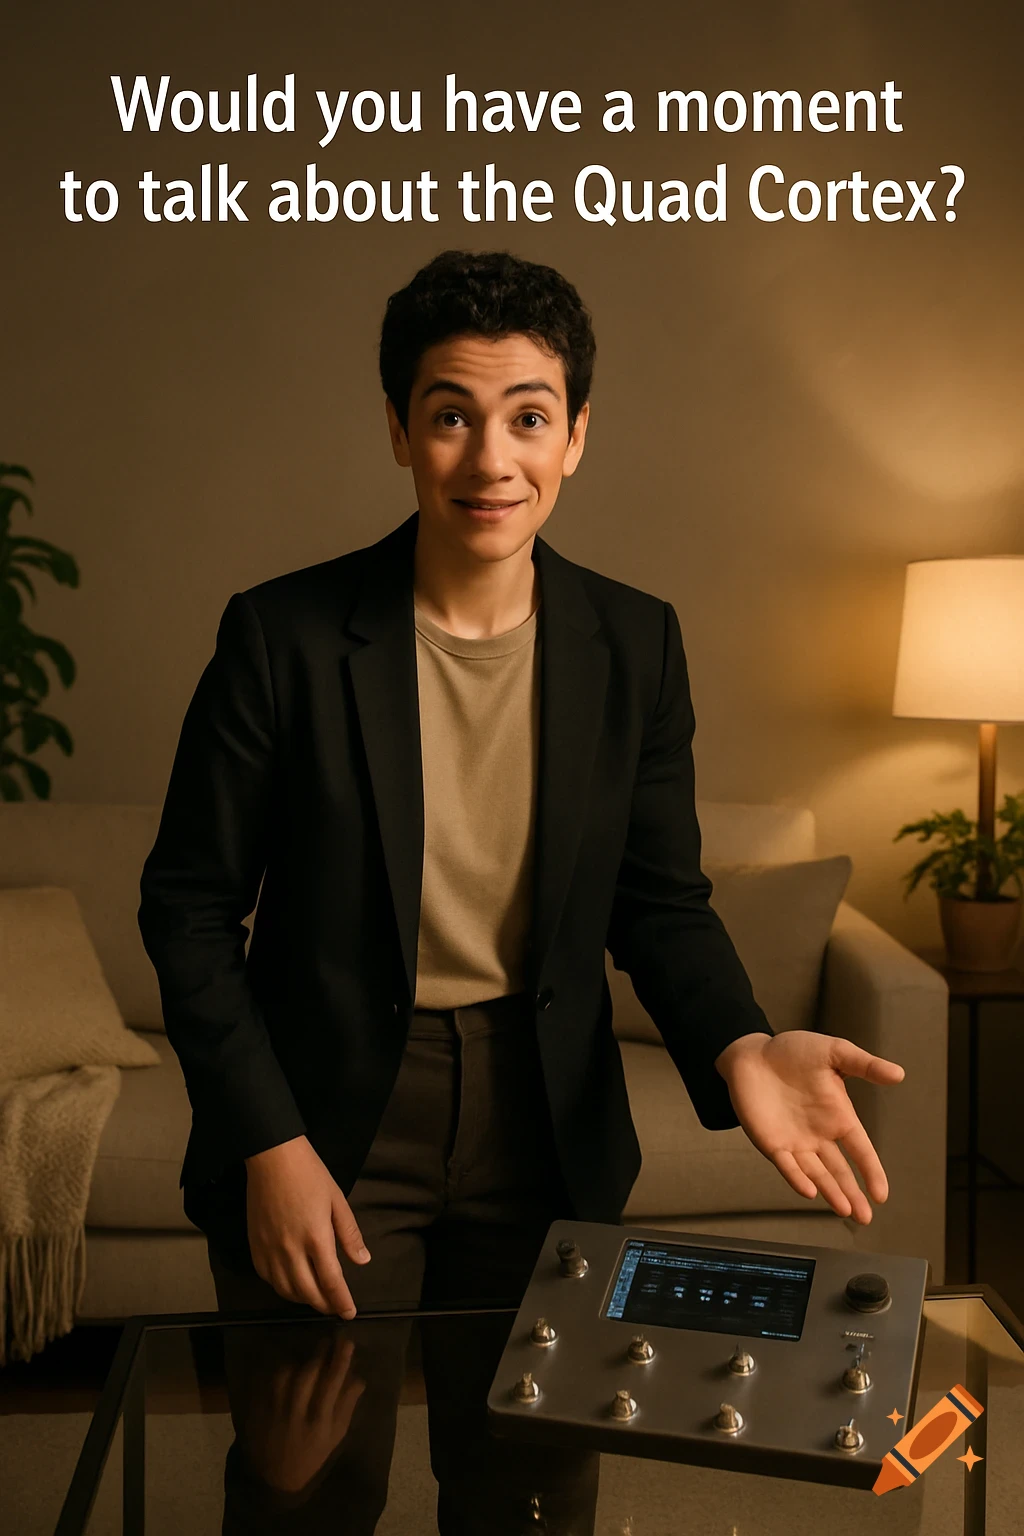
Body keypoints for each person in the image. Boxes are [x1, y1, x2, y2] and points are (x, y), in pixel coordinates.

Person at [138, 248, 904, 1530]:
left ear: (576, 435)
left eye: (528, 417)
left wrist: (741, 1043)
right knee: (306, 1489)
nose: (491, 458)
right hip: (324, 1115)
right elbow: (187, 905)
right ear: (399, 429)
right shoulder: (282, 636)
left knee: (530, 1497)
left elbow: (658, 899)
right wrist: (269, 1141)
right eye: (451, 414)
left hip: (542, 1117)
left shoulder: (635, 641)